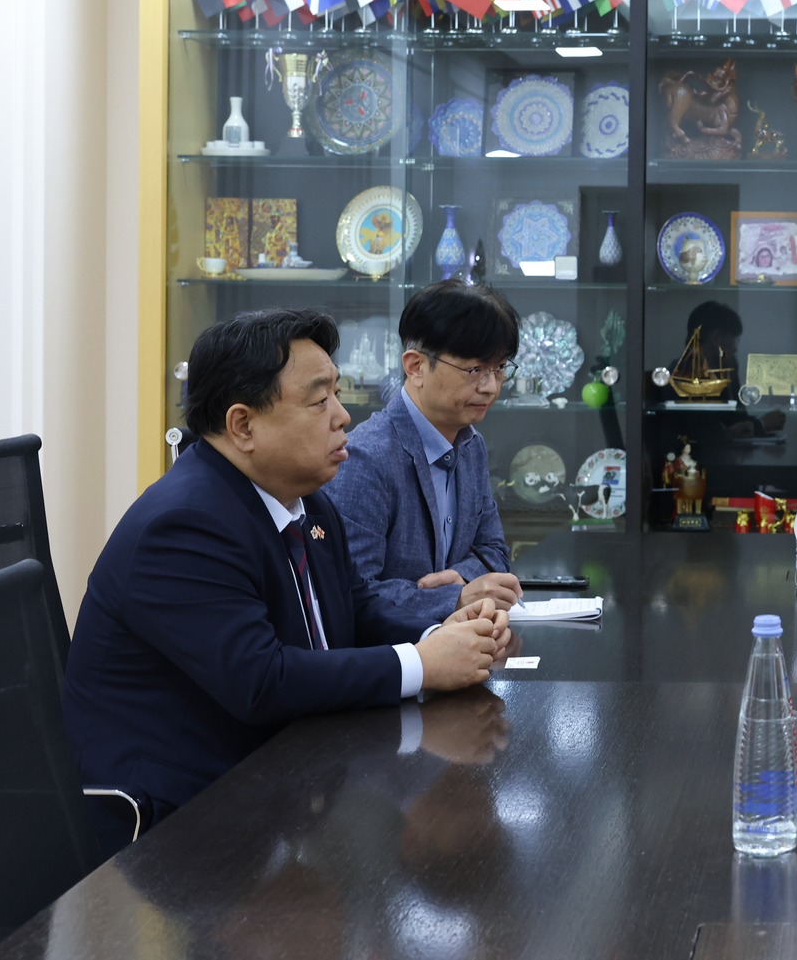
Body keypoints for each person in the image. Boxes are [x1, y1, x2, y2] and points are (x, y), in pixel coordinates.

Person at [63, 308, 507, 854]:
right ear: (243, 426)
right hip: (173, 830)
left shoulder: (307, 503)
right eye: (319, 401)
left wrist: (444, 630)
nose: (343, 416)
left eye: (337, 394)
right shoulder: (184, 525)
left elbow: (354, 607)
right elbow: (261, 680)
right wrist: (422, 664)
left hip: (282, 785)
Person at [325, 281, 525, 627]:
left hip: (463, 641)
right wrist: (453, 598)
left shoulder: (471, 446)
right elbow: (351, 595)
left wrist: (462, 578)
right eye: (475, 370)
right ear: (416, 366)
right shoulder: (365, 459)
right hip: (397, 654)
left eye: (499, 368)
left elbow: (493, 552)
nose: (491, 387)